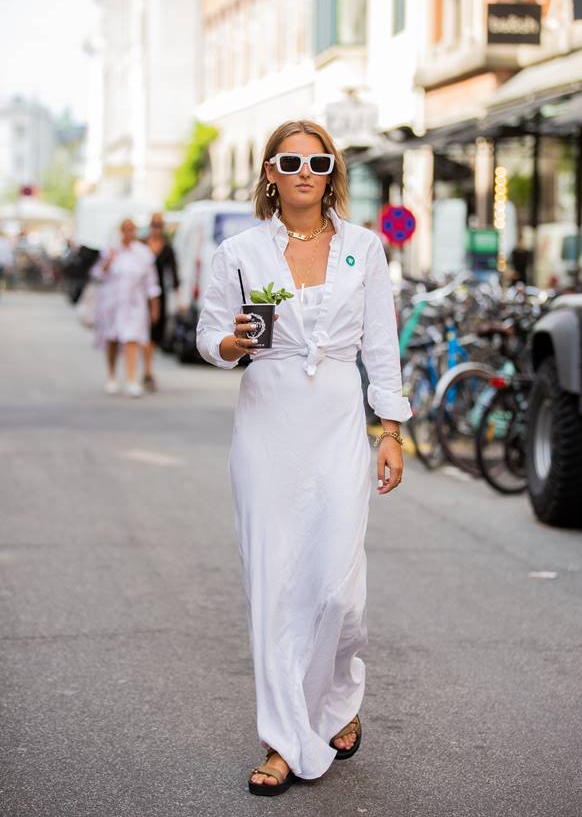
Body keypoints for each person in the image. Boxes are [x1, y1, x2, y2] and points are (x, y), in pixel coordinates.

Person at [197, 120, 411, 797]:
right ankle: (283, 739)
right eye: (289, 160)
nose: (303, 170)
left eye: (317, 161)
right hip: (268, 421)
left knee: (337, 591)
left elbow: (381, 344)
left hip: (339, 424)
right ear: (269, 172)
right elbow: (210, 333)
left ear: (331, 172)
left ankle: (340, 695)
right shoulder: (238, 251)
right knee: (276, 584)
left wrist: (392, 429)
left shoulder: (365, 248)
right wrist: (229, 346)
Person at [92, 219, 161, 397]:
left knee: (132, 339)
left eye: (132, 230)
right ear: (121, 231)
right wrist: (108, 260)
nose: (128, 234)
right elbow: (97, 274)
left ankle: (131, 379)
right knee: (113, 340)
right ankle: (112, 375)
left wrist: (154, 307)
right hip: (112, 304)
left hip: (134, 305)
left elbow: (151, 283)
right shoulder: (111, 250)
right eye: (125, 230)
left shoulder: (143, 253)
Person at [142, 212, 181, 391]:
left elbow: (173, 276)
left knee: (155, 334)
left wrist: (179, 300)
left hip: (160, 295)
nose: (156, 228)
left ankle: (148, 369)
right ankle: (146, 371)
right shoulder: (141, 245)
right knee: (142, 332)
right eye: (154, 224)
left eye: (159, 225)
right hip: (140, 295)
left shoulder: (167, 248)